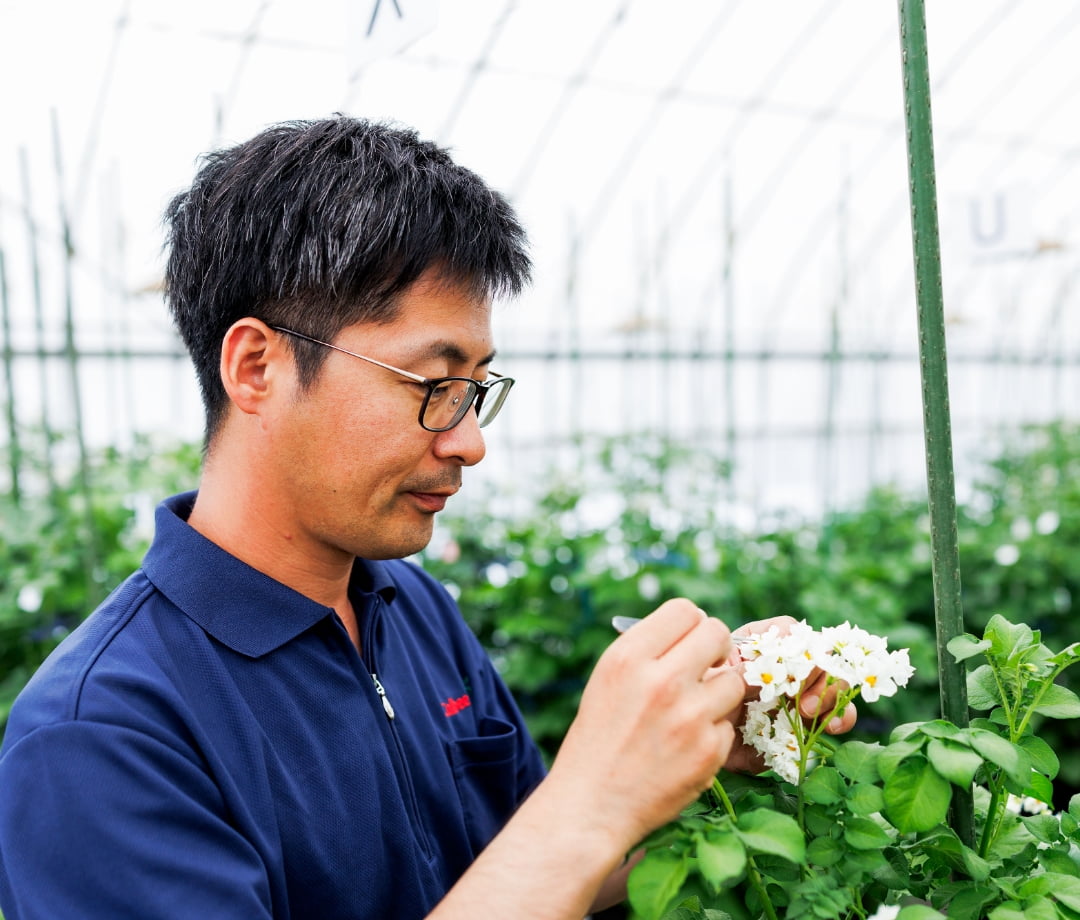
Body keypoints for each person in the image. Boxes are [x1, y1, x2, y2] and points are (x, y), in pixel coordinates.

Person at [0, 116, 854, 920]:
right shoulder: (99, 736)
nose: (470, 442)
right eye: (434, 385)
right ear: (256, 366)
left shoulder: (410, 609)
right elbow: (554, 846)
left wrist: (694, 760)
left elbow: (528, 877)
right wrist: (588, 803)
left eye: (476, 389)